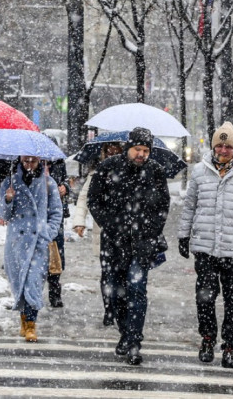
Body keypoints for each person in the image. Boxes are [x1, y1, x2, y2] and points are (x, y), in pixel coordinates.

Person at [177, 121, 233, 369]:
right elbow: (190, 207)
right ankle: (207, 339)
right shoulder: (199, 171)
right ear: (214, 146)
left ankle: (230, 347)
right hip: (205, 247)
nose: (223, 150)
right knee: (204, 298)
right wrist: (184, 235)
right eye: (220, 145)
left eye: (228, 146)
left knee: (232, 301)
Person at [87, 127, 170, 366]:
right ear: (128, 148)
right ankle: (124, 331)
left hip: (142, 244)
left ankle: (134, 341)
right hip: (113, 243)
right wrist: (110, 223)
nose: (141, 154)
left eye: (146, 150)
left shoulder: (155, 172)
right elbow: (94, 200)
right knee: (113, 292)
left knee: (137, 290)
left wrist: (151, 230)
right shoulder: (108, 168)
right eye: (138, 149)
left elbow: (163, 205)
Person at [0, 155, 64, 343]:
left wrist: (47, 232)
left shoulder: (48, 183)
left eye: (32, 161)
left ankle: (31, 325)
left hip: (38, 242)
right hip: (16, 242)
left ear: (39, 162)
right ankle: (24, 320)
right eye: (25, 161)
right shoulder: (9, 183)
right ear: (19, 160)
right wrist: (8, 200)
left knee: (33, 281)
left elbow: (56, 211)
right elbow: (3, 214)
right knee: (19, 281)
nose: (28, 165)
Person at [72, 140, 123, 326]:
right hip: (104, 231)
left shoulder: (130, 172)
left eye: (116, 152)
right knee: (108, 273)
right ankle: (109, 308)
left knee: (123, 274)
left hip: (126, 233)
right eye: (109, 152)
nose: (112, 155)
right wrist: (79, 221)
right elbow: (84, 199)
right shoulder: (97, 174)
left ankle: (121, 307)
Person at [46, 157, 71, 308]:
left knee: (56, 254)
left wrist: (65, 187)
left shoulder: (59, 164)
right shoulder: (28, 164)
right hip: (37, 215)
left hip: (55, 214)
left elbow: (66, 180)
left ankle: (55, 291)